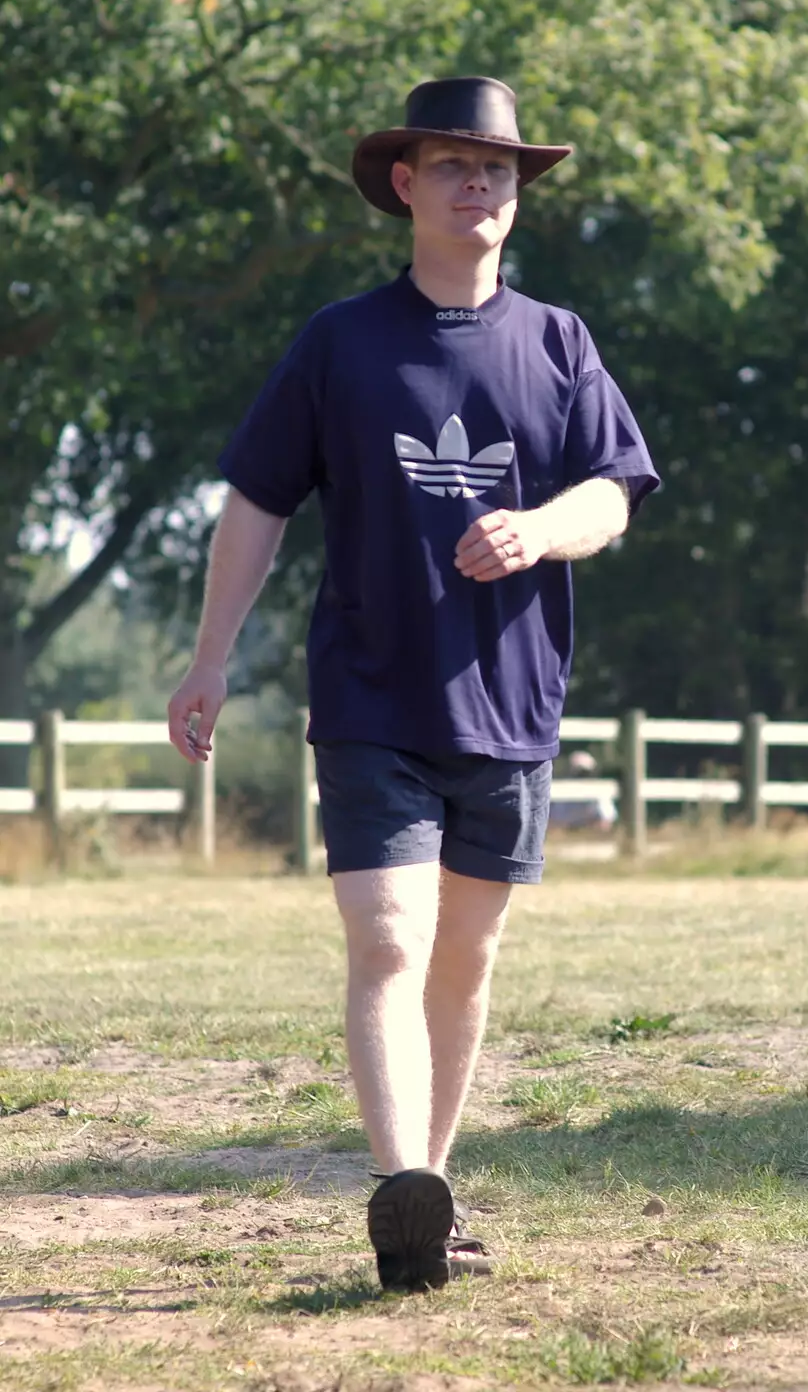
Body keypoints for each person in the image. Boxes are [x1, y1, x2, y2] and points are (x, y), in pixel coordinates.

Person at [167, 76, 658, 1292]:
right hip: (372, 692)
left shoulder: (559, 343)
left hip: (509, 702)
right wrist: (211, 654)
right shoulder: (340, 340)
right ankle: (398, 1184)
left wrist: (540, 529)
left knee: (466, 957)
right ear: (405, 184)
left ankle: (428, 1199)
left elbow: (615, 491)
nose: (477, 184)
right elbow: (255, 502)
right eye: (452, 164)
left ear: (514, 192)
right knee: (389, 934)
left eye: (496, 167)